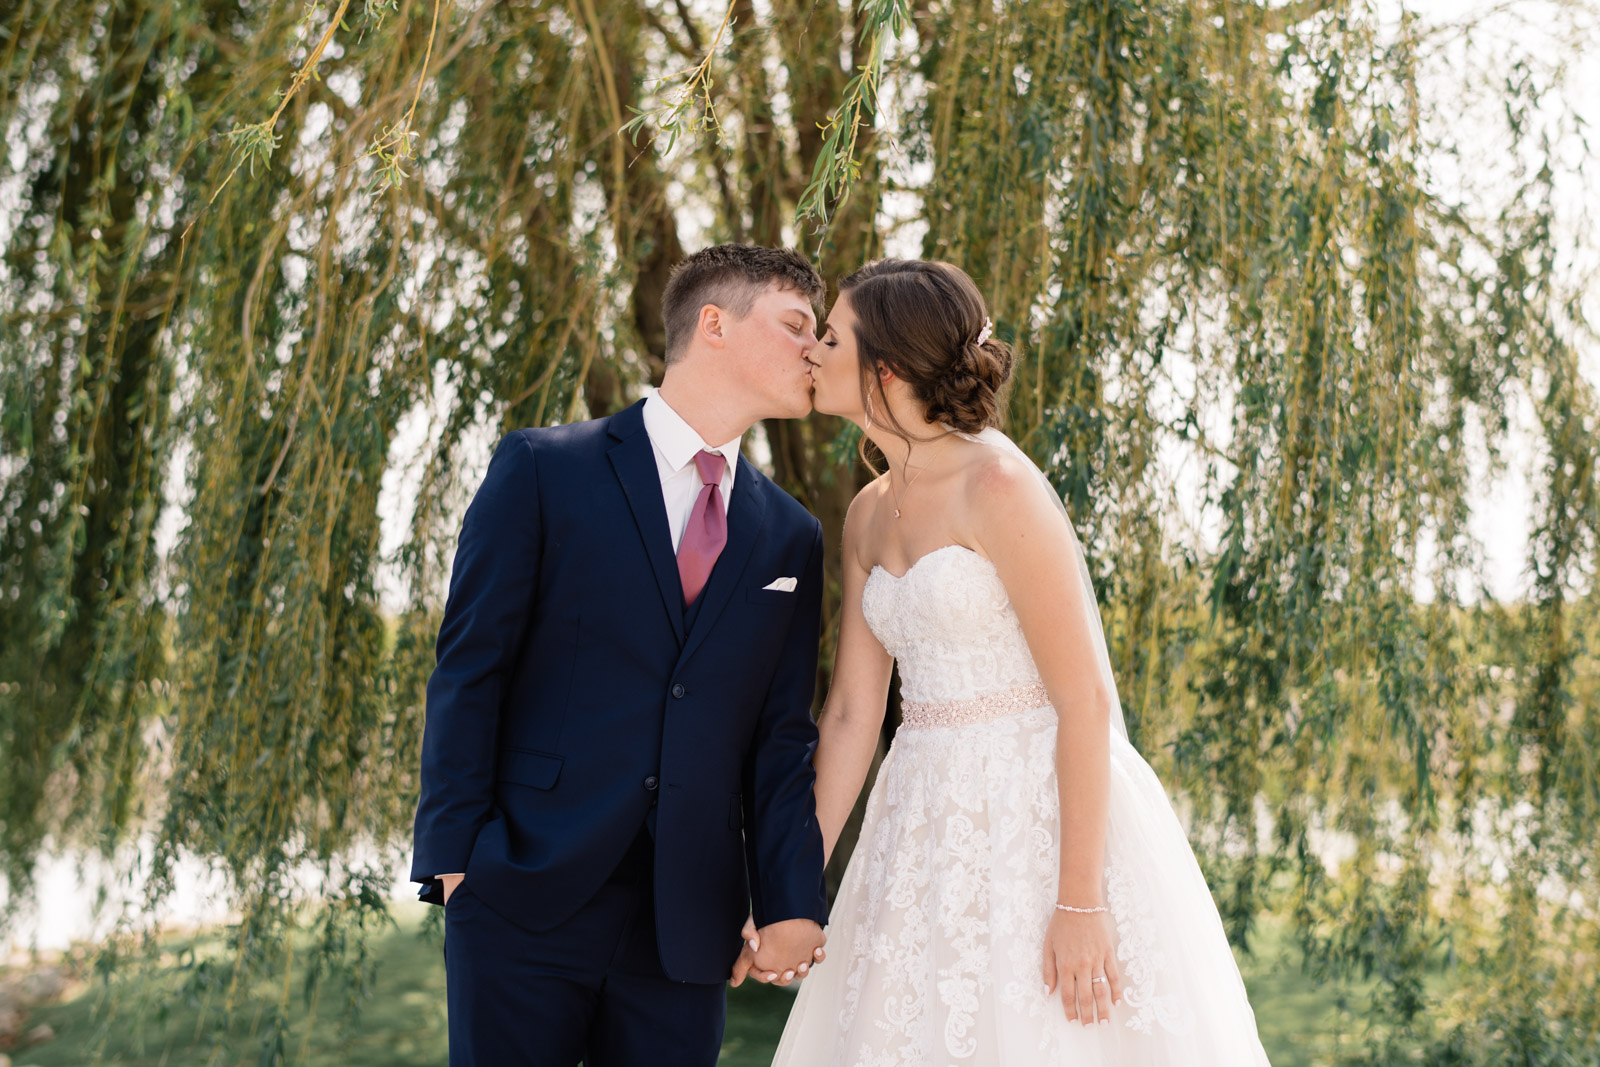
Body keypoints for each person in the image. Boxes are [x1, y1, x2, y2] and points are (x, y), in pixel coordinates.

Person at [766, 259, 1273, 1064]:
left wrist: (1079, 902)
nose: (813, 352)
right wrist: (793, 885)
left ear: (886, 367)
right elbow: (855, 715)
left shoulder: (998, 483)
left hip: (1036, 813)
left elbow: (1083, 702)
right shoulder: (866, 513)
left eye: (831, 337)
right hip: (921, 817)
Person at [411, 244, 831, 1067]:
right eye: (796, 326)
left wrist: (789, 900)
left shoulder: (791, 535)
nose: (814, 350)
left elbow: (781, 739)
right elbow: (470, 672)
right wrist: (456, 866)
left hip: (685, 927)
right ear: (713, 323)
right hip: (522, 894)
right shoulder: (544, 469)